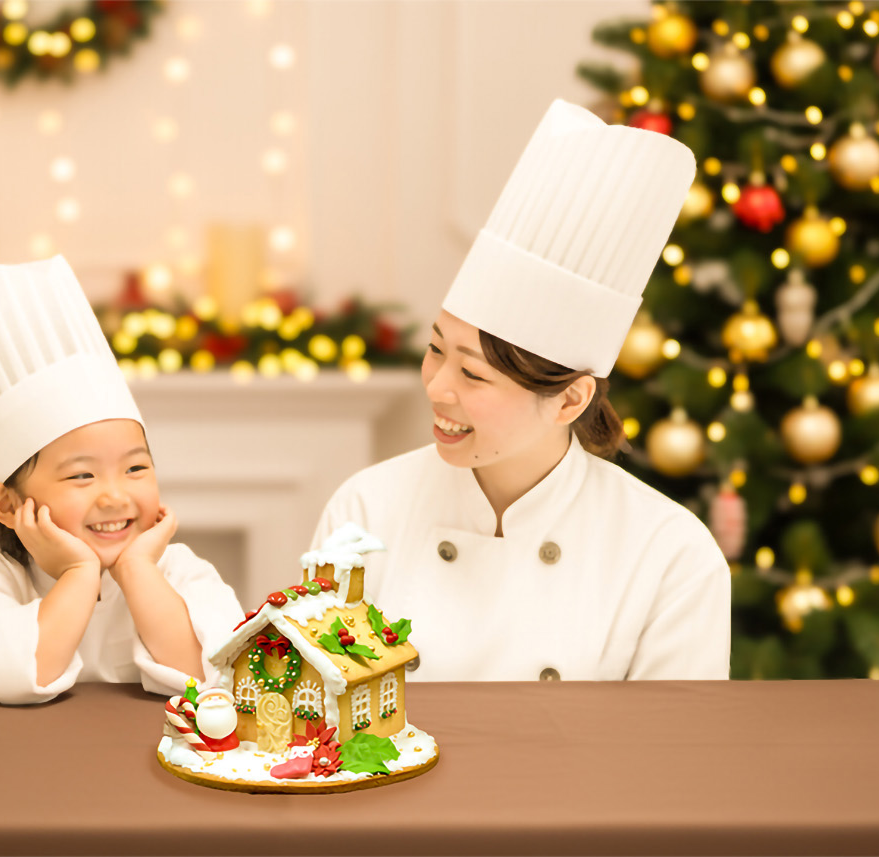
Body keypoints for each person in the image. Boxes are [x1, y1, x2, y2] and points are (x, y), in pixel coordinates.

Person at [311, 100, 730, 682]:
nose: (437, 387)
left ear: (570, 400)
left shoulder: (670, 553)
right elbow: (320, 725)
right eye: (436, 350)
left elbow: (672, 757)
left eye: (474, 374)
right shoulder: (365, 512)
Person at [0, 257, 242, 704]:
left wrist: (135, 569)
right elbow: (17, 679)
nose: (115, 496)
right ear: (8, 505)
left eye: (135, 468)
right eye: (82, 475)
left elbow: (215, 676)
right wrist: (79, 572)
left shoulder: (178, 570)